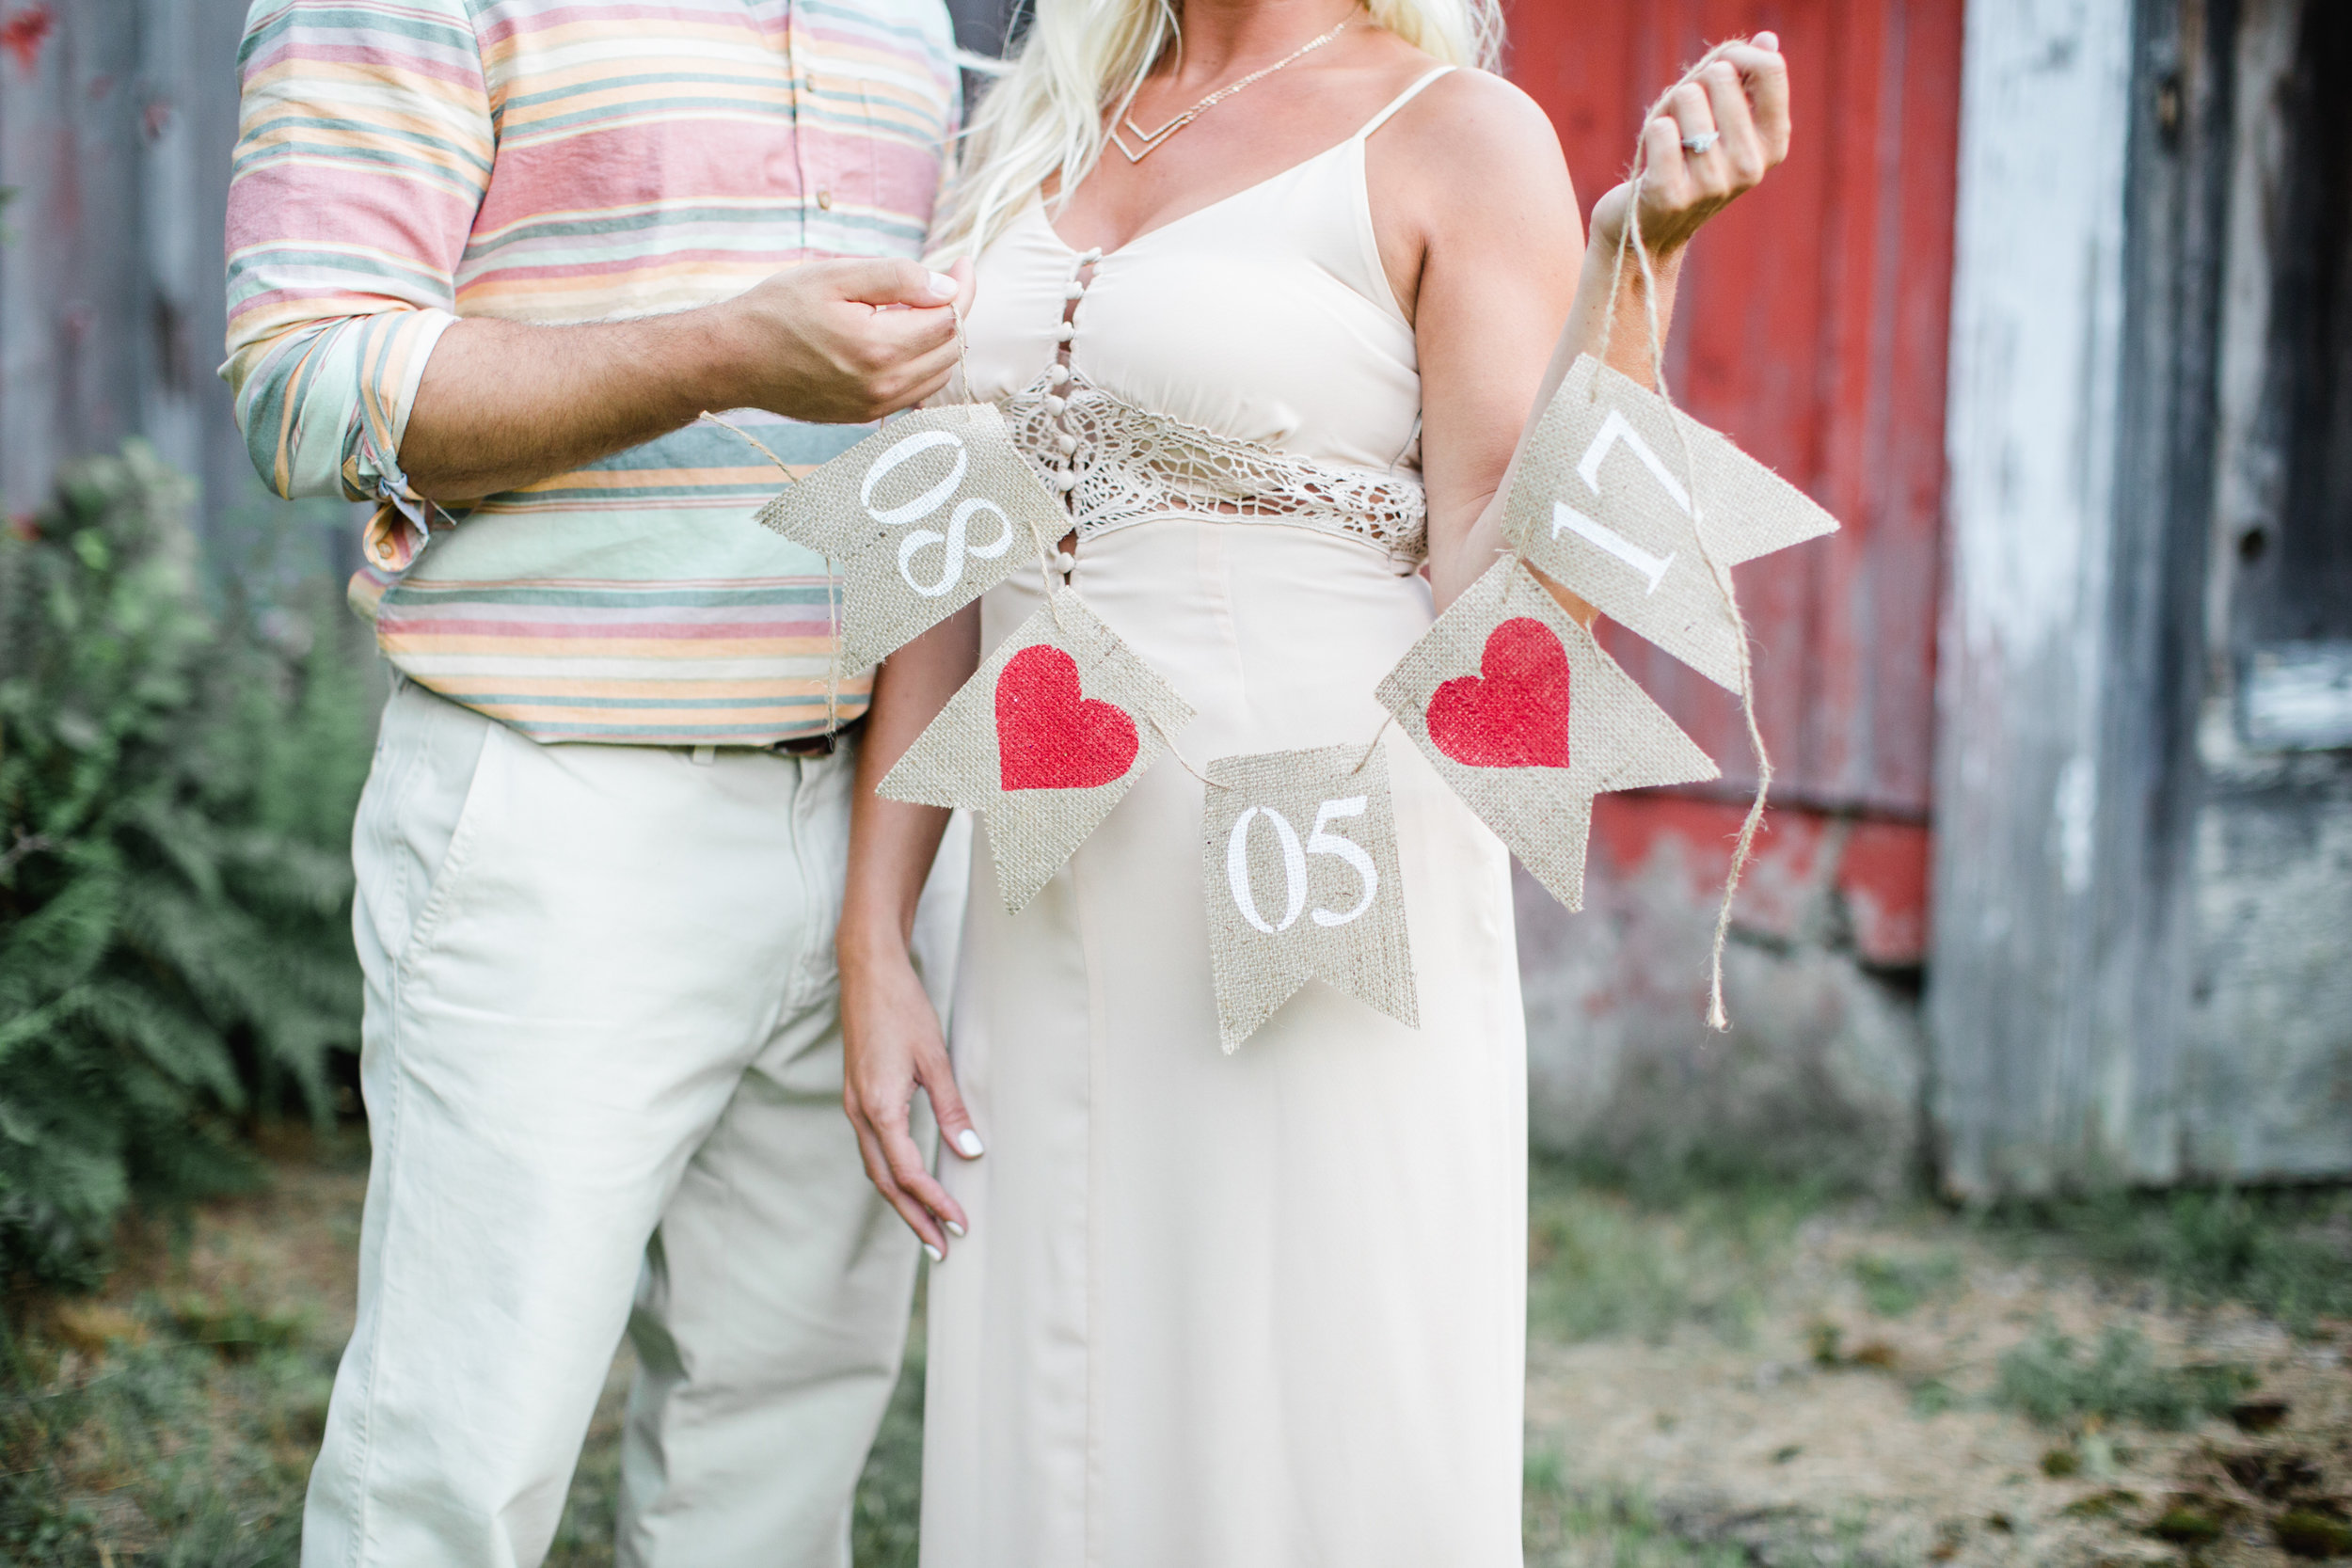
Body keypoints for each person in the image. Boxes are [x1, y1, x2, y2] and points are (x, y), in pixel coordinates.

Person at [835, 1, 1791, 1562]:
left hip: (1312, 879)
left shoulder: (1460, 135)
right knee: (1061, 1407)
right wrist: (875, 929)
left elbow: (1512, 607)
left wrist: (1642, 264)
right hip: (1038, 883)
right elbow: (944, 534)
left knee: (1302, 1413)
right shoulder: (1031, 130)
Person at [222, 2, 979, 1563]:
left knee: (775, 1452)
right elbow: (304, 387)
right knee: (455, 1471)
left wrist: (884, 905)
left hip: (869, 827)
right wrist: (718, 356)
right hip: (562, 813)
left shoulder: (902, 14)